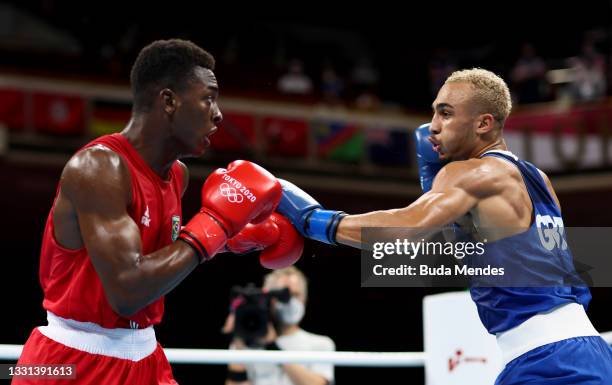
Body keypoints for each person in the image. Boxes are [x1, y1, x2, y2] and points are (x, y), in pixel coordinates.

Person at [276, 68, 612, 384]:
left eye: (446, 113)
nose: (433, 126)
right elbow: (514, 258)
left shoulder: (471, 173)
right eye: (435, 112)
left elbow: (403, 231)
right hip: (581, 352)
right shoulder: (537, 178)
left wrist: (313, 220)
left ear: (483, 123)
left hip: (550, 363)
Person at [14, 39, 303, 385]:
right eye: (208, 98)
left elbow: (159, 260)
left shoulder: (176, 175)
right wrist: (217, 225)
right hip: (69, 362)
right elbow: (126, 292)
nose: (219, 113)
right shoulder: (98, 168)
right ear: (169, 101)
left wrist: (227, 239)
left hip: (146, 356)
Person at [224, 267, 335, 385]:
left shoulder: (321, 343)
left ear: (305, 299)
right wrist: (238, 344)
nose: (290, 301)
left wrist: (272, 346)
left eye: (296, 295)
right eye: (283, 295)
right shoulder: (247, 342)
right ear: (268, 298)